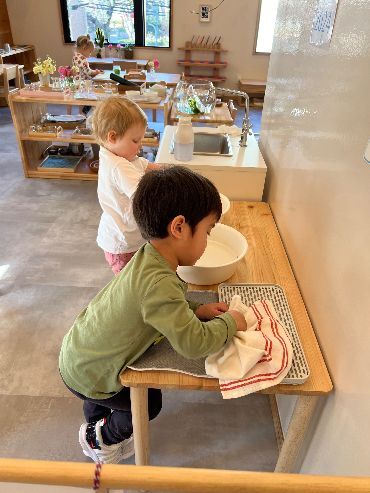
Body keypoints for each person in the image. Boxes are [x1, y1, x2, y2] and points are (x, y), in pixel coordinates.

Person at [59, 165, 248, 464]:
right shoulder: (160, 283)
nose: (207, 241)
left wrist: (196, 309)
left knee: (96, 397)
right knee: (148, 404)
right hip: (91, 374)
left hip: (78, 355)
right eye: (208, 231)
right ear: (179, 227)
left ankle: (96, 421)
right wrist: (230, 322)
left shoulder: (148, 257)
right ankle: (100, 437)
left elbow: (163, 304)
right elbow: (193, 343)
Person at [92, 96, 160, 275]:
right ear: (112, 137)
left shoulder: (112, 153)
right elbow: (144, 196)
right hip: (124, 244)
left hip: (117, 235)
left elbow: (143, 165)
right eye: (135, 141)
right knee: (129, 284)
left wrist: (167, 170)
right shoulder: (119, 166)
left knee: (135, 278)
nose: (140, 146)